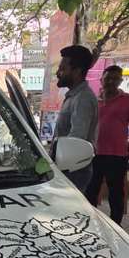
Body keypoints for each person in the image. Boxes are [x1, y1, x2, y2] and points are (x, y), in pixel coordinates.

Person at [86, 64, 129, 225]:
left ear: (120, 81)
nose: (111, 81)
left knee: (116, 193)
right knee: (91, 191)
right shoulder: (94, 100)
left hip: (117, 155)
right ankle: (92, 223)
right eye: (108, 78)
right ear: (101, 79)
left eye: (115, 79)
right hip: (94, 153)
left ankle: (116, 225)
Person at [51, 45, 98, 191]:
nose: (58, 73)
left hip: (72, 170)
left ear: (76, 71)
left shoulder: (82, 99)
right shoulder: (74, 96)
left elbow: (76, 140)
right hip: (67, 168)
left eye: (63, 69)